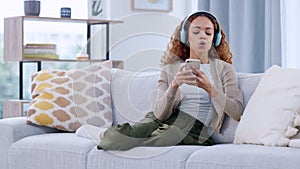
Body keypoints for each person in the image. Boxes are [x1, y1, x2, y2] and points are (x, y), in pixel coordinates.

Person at [75, 11, 244, 150]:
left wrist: (210, 88)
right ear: (186, 36)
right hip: (162, 120)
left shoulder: (224, 69)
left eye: (208, 32)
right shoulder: (171, 69)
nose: (203, 36)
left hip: (194, 128)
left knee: (158, 138)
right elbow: (159, 113)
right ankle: (105, 135)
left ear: (215, 38)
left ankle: (112, 136)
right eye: (196, 31)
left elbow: (237, 111)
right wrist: (174, 85)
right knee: (128, 137)